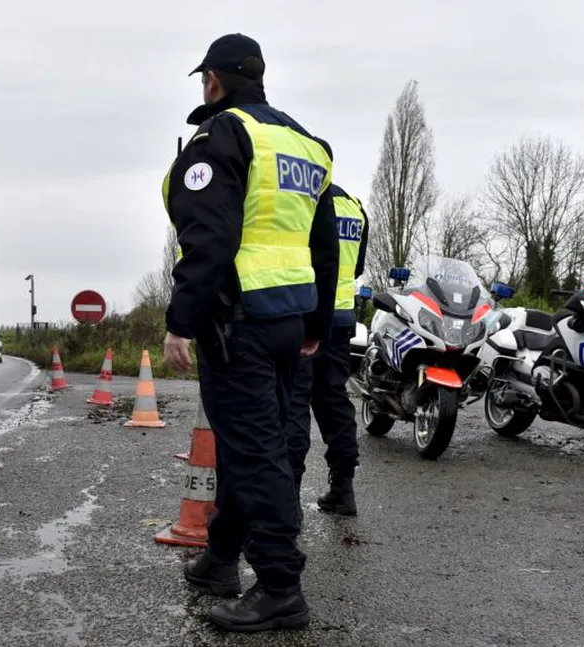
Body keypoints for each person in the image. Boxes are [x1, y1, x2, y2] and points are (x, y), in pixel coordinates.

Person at [161, 33, 337, 632]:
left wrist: (181, 321)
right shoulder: (306, 145)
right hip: (290, 320)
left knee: (257, 453)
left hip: (237, 323)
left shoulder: (223, 136)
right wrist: (314, 324)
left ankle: (281, 587)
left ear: (213, 79)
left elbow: (208, 239)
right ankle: (218, 558)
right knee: (249, 446)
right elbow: (323, 240)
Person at [285, 183, 369, 517]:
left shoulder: (306, 200)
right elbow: (357, 266)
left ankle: (289, 498)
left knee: (295, 400)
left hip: (306, 315)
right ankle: (343, 488)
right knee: (335, 399)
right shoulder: (355, 207)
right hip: (342, 317)